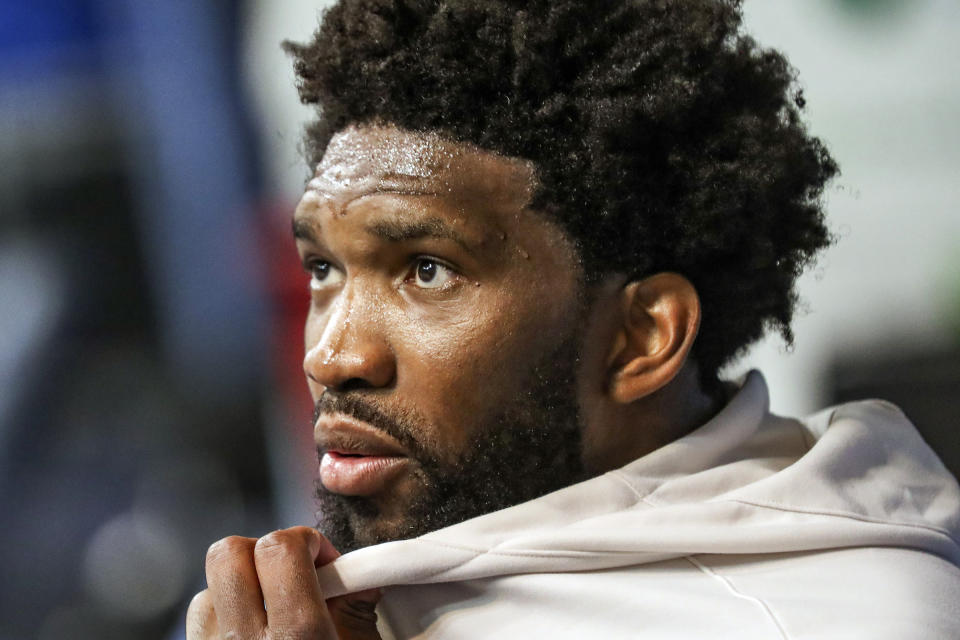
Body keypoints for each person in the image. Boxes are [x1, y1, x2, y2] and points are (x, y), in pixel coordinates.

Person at [187, 1, 960, 637]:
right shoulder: (313, 607)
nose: (331, 356)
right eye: (323, 268)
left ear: (641, 339)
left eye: (428, 270)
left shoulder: (824, 624)